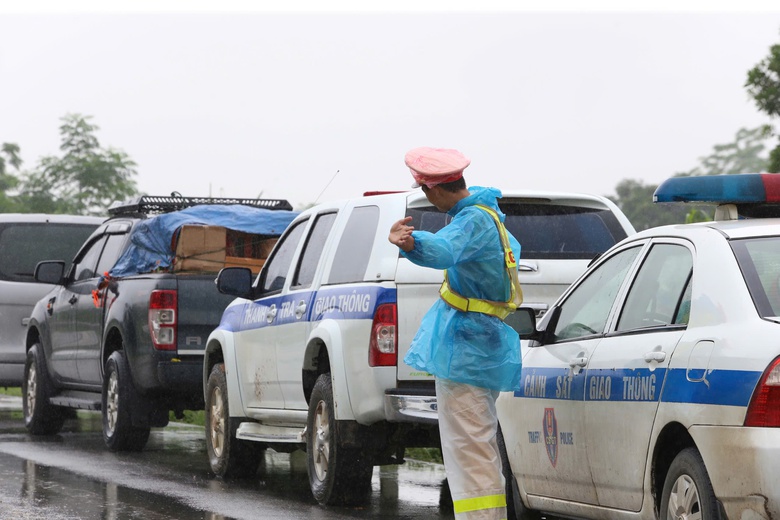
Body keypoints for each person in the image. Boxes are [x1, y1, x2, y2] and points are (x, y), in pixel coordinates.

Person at [388, 146, 524, 520]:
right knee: (475, 447)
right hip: (476, 350)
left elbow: (445, 250)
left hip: (467, 352)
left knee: (470, 450)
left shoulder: (473, 221)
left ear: (431, 190)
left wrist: (411, 242)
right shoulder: (488, 216)